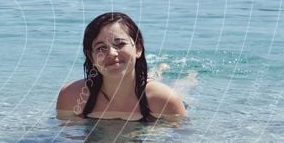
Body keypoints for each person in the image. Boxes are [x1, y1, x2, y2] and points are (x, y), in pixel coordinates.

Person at [56, 12, 187, 122]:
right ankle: (159, 70)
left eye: (120, 44)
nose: (112, 53)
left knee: (184, 85)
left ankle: (179, 74)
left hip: (151, 92)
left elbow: (179, 141)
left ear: (138, 48)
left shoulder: (165, 100)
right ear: (92, 57)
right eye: (101, 48)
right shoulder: (72, 97)